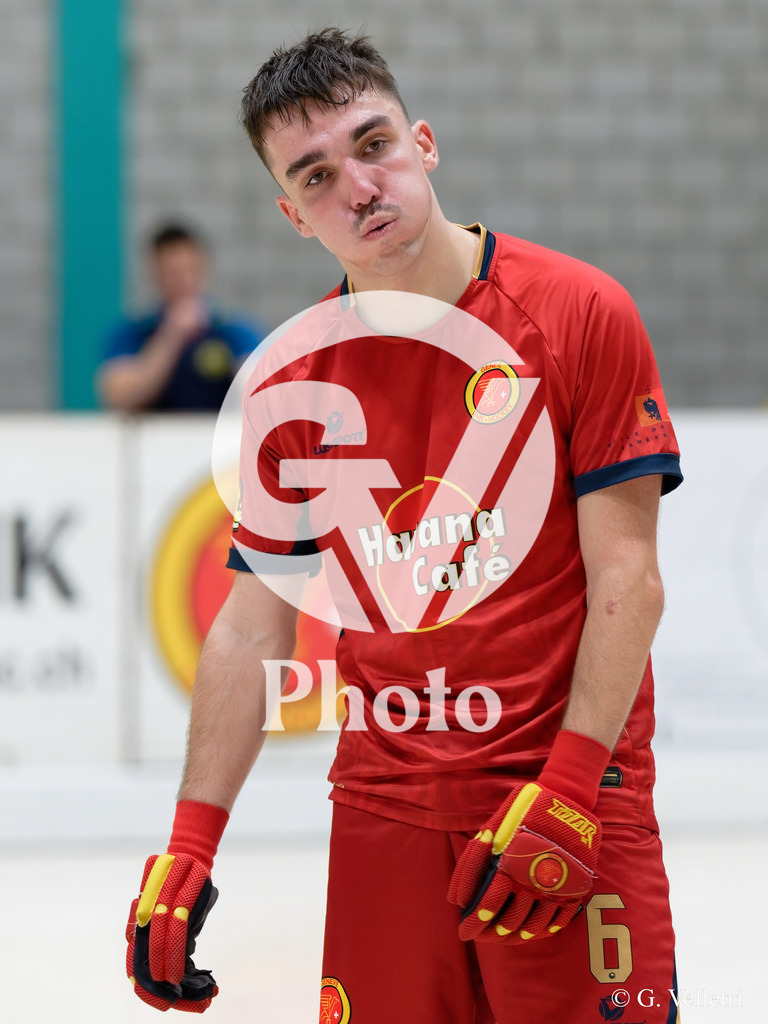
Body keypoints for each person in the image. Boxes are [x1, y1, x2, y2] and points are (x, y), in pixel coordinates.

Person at [124, 29, 684, 1023]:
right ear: (293, 214)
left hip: (565, 800)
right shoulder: (295, 383)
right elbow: (255, 622)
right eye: (317, 174)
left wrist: (568, 787)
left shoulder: (579, 313)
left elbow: (628, 580)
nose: (360, 186)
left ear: (423, 142)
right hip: (383, 818)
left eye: (373, 144)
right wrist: (191, 841)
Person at [98, 223, 265, 412]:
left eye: (190, 270)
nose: (183, 280)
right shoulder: (131, 333)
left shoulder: (232, 330)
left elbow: (260, 393)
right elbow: (118, 398)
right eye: (173, 273)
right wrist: (171, 336)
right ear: (156, 273)